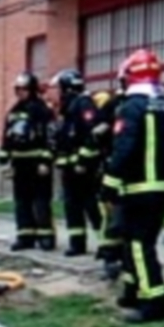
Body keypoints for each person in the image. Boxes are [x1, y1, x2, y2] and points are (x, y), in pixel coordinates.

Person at [100, 49, 164, 324]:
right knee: (134, 243)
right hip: (162, 190)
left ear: (129, 77)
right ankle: (133, 291)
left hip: (138, 190)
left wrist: (108, 186)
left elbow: (123, 149)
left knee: (140, 246)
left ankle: (154, 304)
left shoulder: (130, 108)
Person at [0, 72, 57, 252]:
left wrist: (46, 161)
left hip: (37, 164)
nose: (20, 92)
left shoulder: (42, 110)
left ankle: (46, 237)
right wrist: (4, 156)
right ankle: (25, 237)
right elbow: (7, 137)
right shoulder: (13, 112)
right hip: (19, 165)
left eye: (23, 89)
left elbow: (51, 137)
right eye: (18, 89)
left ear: (31, 89)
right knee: (21, 202)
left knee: (41, 201)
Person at [50, 69, 102, 257]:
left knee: (91, 205)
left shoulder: (84, 104)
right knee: (72, 206)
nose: (58, 92)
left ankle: (106, 245)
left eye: (60, 88)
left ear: (67, 87)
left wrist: (84, 161)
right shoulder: (68, 108)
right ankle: (77, 243)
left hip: (83, 169)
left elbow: (92, 135)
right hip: (70, 169)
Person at [91, 87, 126, 279]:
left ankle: (111, 256)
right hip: (121, 169)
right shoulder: (117, 105)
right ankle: (112, 255)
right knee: (112, 213)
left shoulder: (120, 106)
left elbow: (98, 132)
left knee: (112, 213)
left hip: (117, 168)